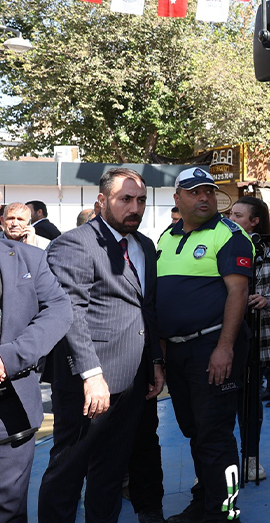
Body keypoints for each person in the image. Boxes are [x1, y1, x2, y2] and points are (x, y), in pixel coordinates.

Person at [38, 168, 164, 523]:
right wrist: (92, 374)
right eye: (125, 199)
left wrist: (155, 360)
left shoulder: (144, 246)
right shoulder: (75, 243)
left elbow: (146, 308)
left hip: (133, 378)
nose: (135, 207)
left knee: (110, 471)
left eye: (140, 200)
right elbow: (69, 312)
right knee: (68, 470)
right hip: (88, 381)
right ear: (101, 201)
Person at [156, 167, 254, 523]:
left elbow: (238, 292)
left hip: (213, 347)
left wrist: (224, 347)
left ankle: (225, 513)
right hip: (178, 351)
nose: (204, 198)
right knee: (194, 430)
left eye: (209, 192)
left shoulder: (229, 234)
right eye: (195, 192)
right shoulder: (166, 237)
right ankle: (205, 501)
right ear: (177, 198)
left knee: (214, 434)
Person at [0, 236, 72, 522]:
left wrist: (10, 358)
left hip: (12, 413)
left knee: (10, 509)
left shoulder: (29, 257)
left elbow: (58, 309)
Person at [229, 196, 270, 478]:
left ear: (254, 221)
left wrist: (267, 301)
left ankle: (251, 458)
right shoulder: (218, 250)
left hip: (256, 340)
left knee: (251, 405)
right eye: (230, 214)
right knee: (221, 406)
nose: (231, 220)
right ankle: (219, 462)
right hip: (220, 342)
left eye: (238, 216)